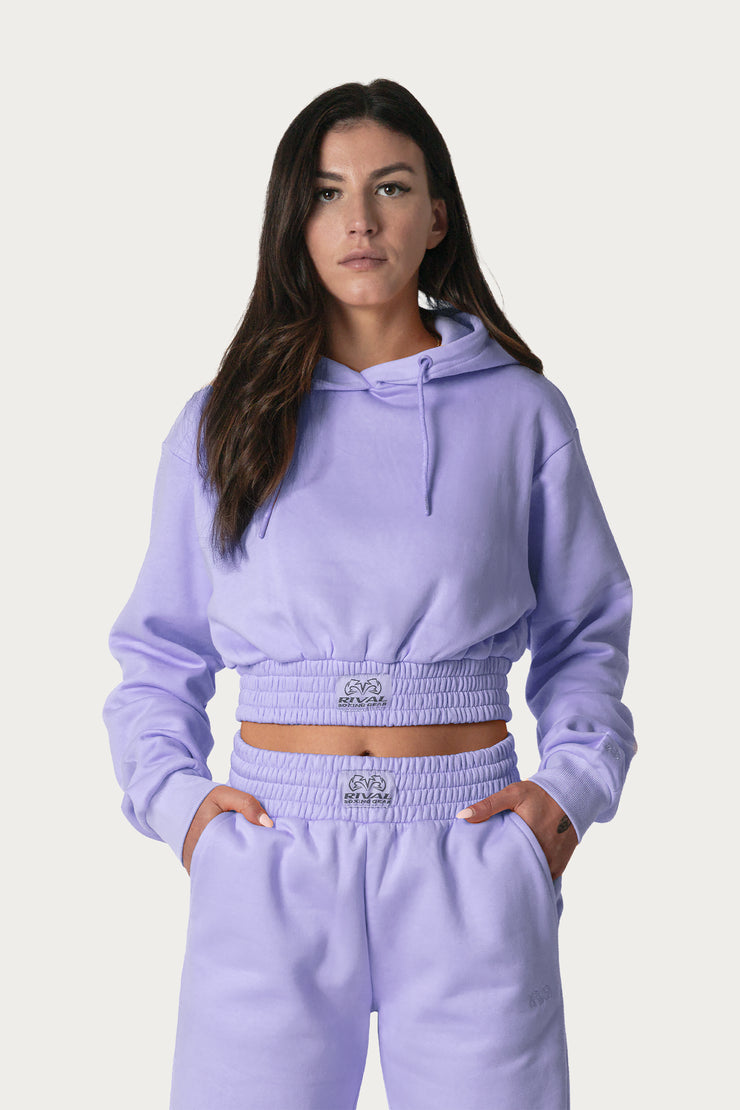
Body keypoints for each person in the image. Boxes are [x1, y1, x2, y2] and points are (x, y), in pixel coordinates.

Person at [102, 78, 637, 1110]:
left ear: (435, 216)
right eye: (326, 193)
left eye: (390, 188)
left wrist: (567, 795)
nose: (359, 220)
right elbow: (159, 652)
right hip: (270, 847)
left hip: (470, 844)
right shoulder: (221, 421)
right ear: (292, 221)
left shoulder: (521, 414)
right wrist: (184, 812)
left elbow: (587, 632)